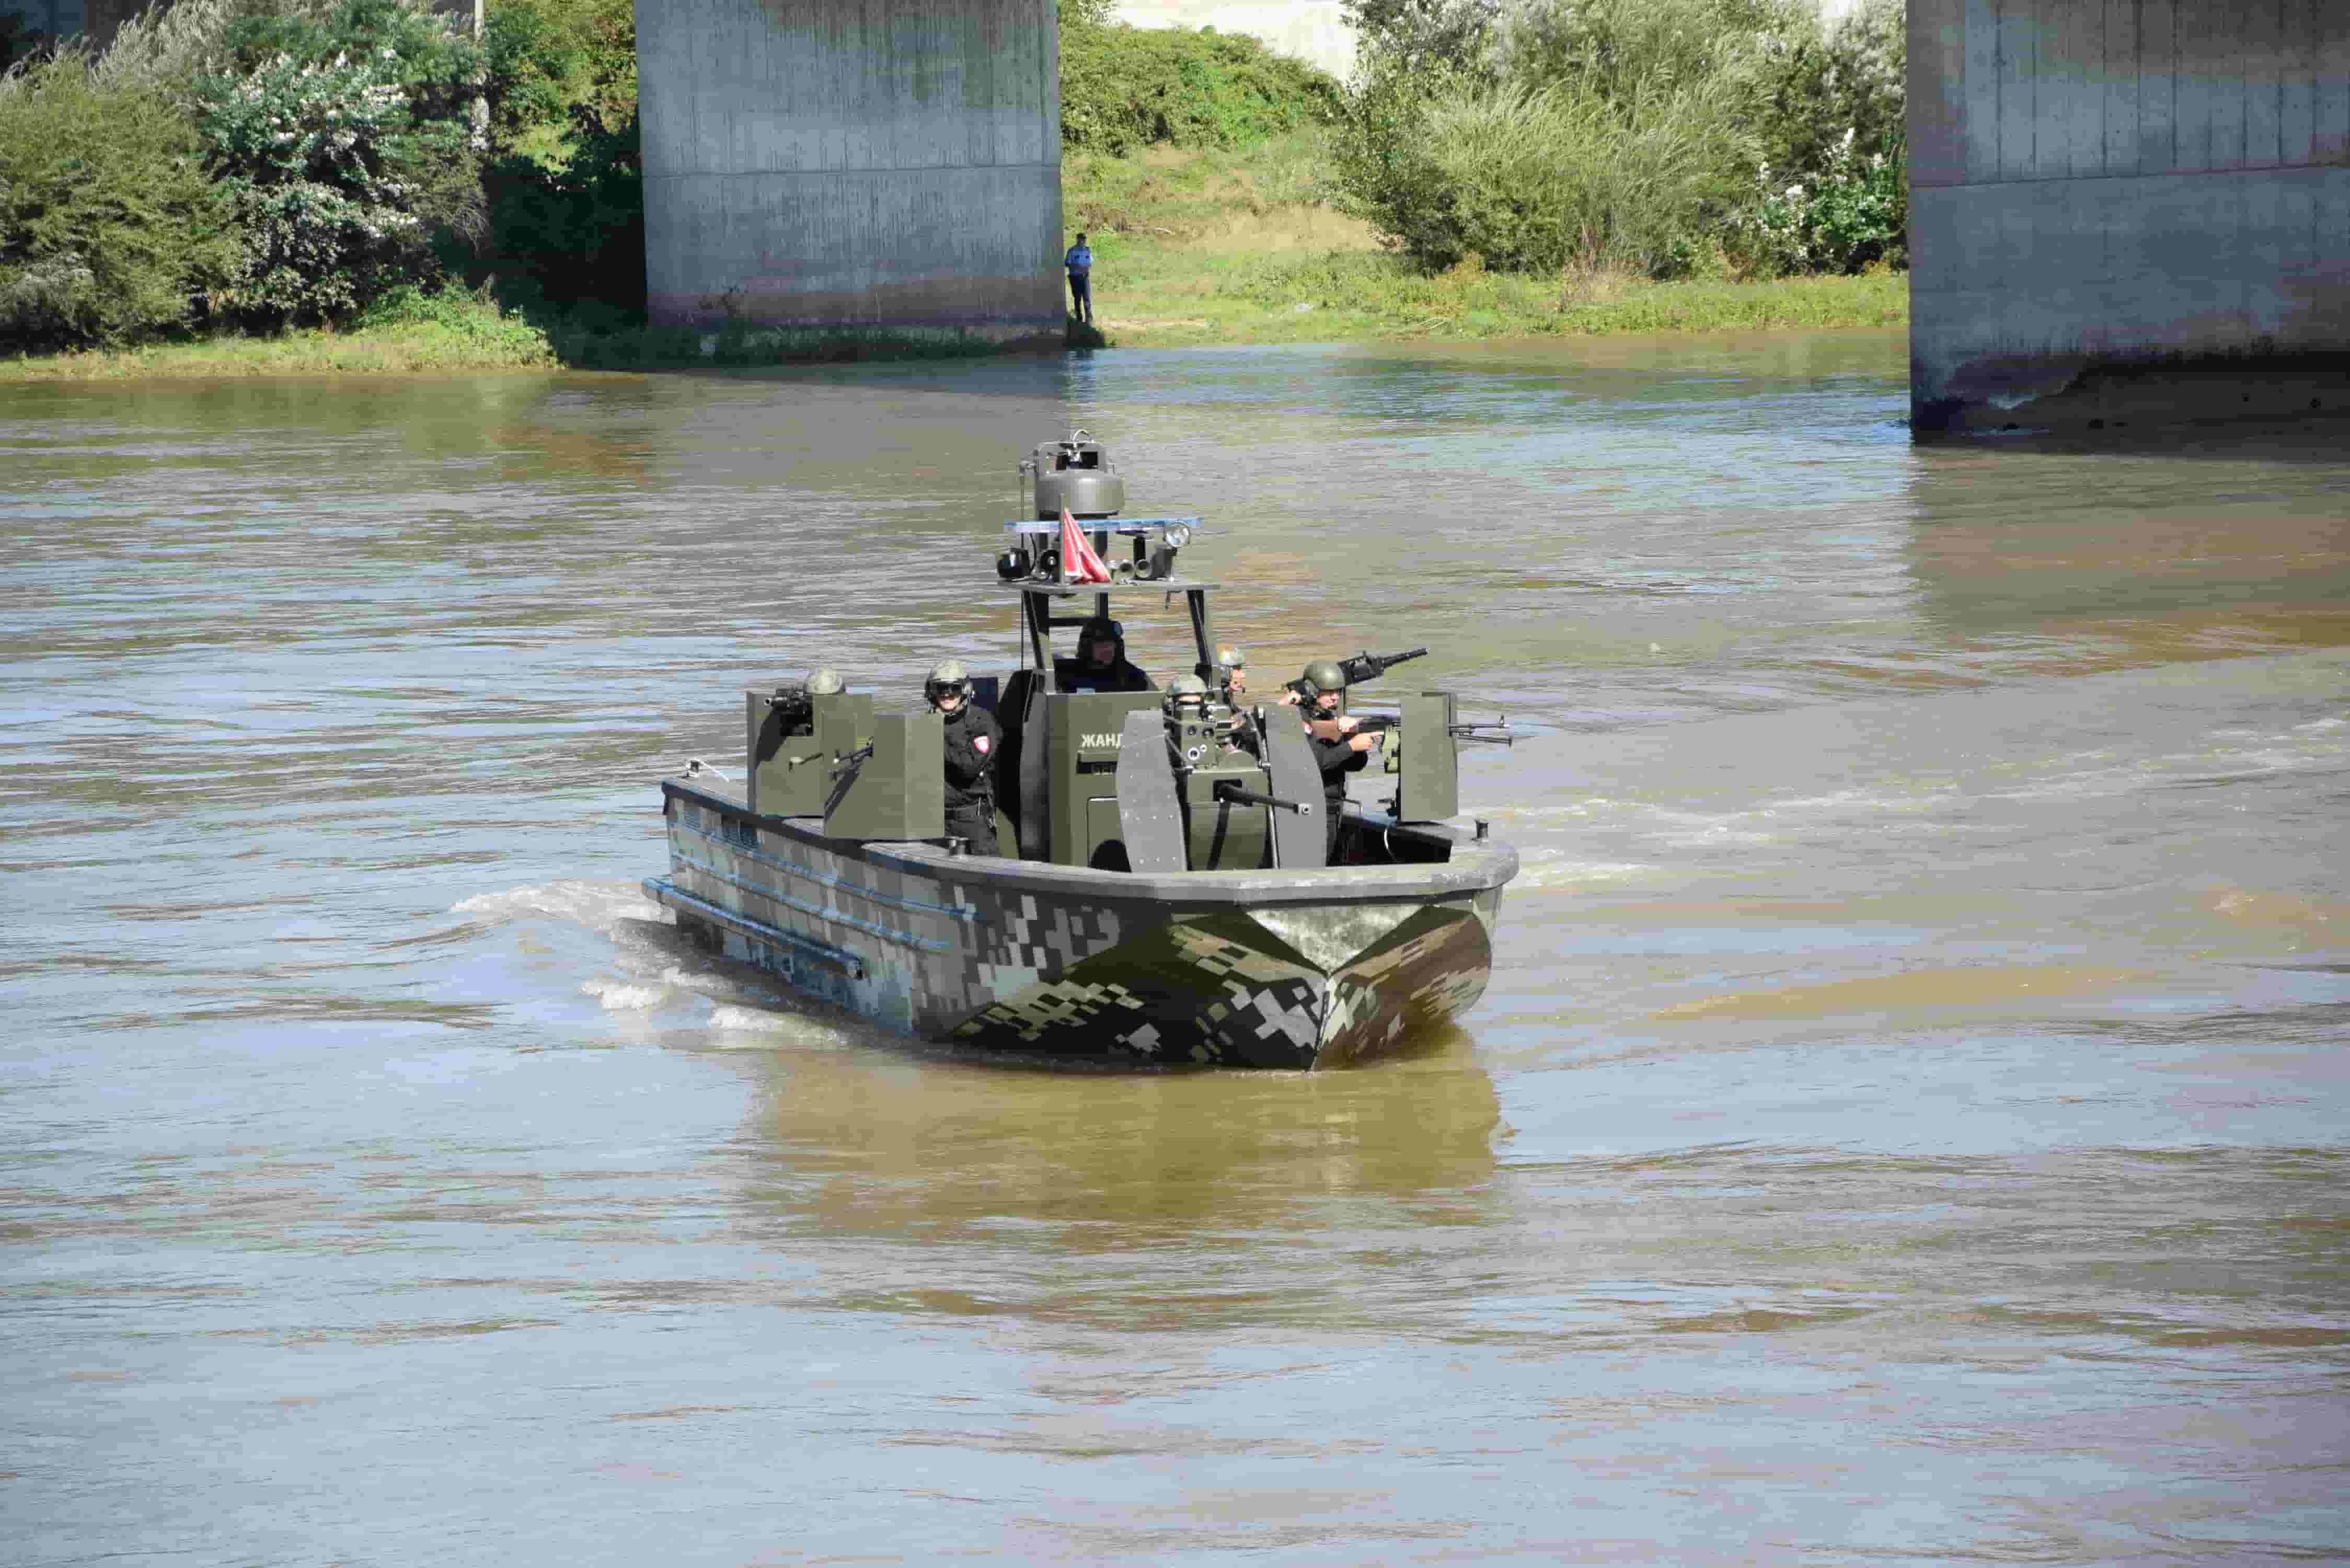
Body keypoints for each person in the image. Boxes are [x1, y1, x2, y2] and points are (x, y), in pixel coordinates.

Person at [1295, 658, 1383, 857]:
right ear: (1312, 689)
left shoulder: (1329, 718)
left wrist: (1355, 743)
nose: (1335, 697)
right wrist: (1351, 746)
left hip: (1333, 804)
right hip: (1314, 806)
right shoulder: (1300, 719)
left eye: (1338, 692)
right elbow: (1317, 763)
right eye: (1329, 692)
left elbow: (1356, 765)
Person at [926, 659, 1000, 855]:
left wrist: (933, 740)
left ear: (965, 690)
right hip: (933, 819)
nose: (947, 694)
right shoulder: (925, 722)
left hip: (971, 819)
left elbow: (969, 766)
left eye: (954, 688)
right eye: (941, 688)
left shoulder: (981, 722)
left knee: (988, 874)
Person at [1061, 616, 1151, 693]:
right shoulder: (1068, 678)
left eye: (1110, 644)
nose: (1107, 649)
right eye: (1101, 644)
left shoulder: (1134, 678)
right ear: (1087, 648)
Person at [1063, 232, 1093, 324]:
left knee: (1087, 297)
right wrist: (1076, 266)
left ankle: (1089, 319)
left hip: (1085, 277)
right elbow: (1067, 263)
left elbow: (1090, 261)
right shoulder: (1072, 251)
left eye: (1084, 239)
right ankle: (1079, 319)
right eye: (1081, 239)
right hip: (1075, 278)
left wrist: (1087, 267)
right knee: (1077, 298)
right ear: (1078, 240)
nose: (1083, 241)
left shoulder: (1087, 250)